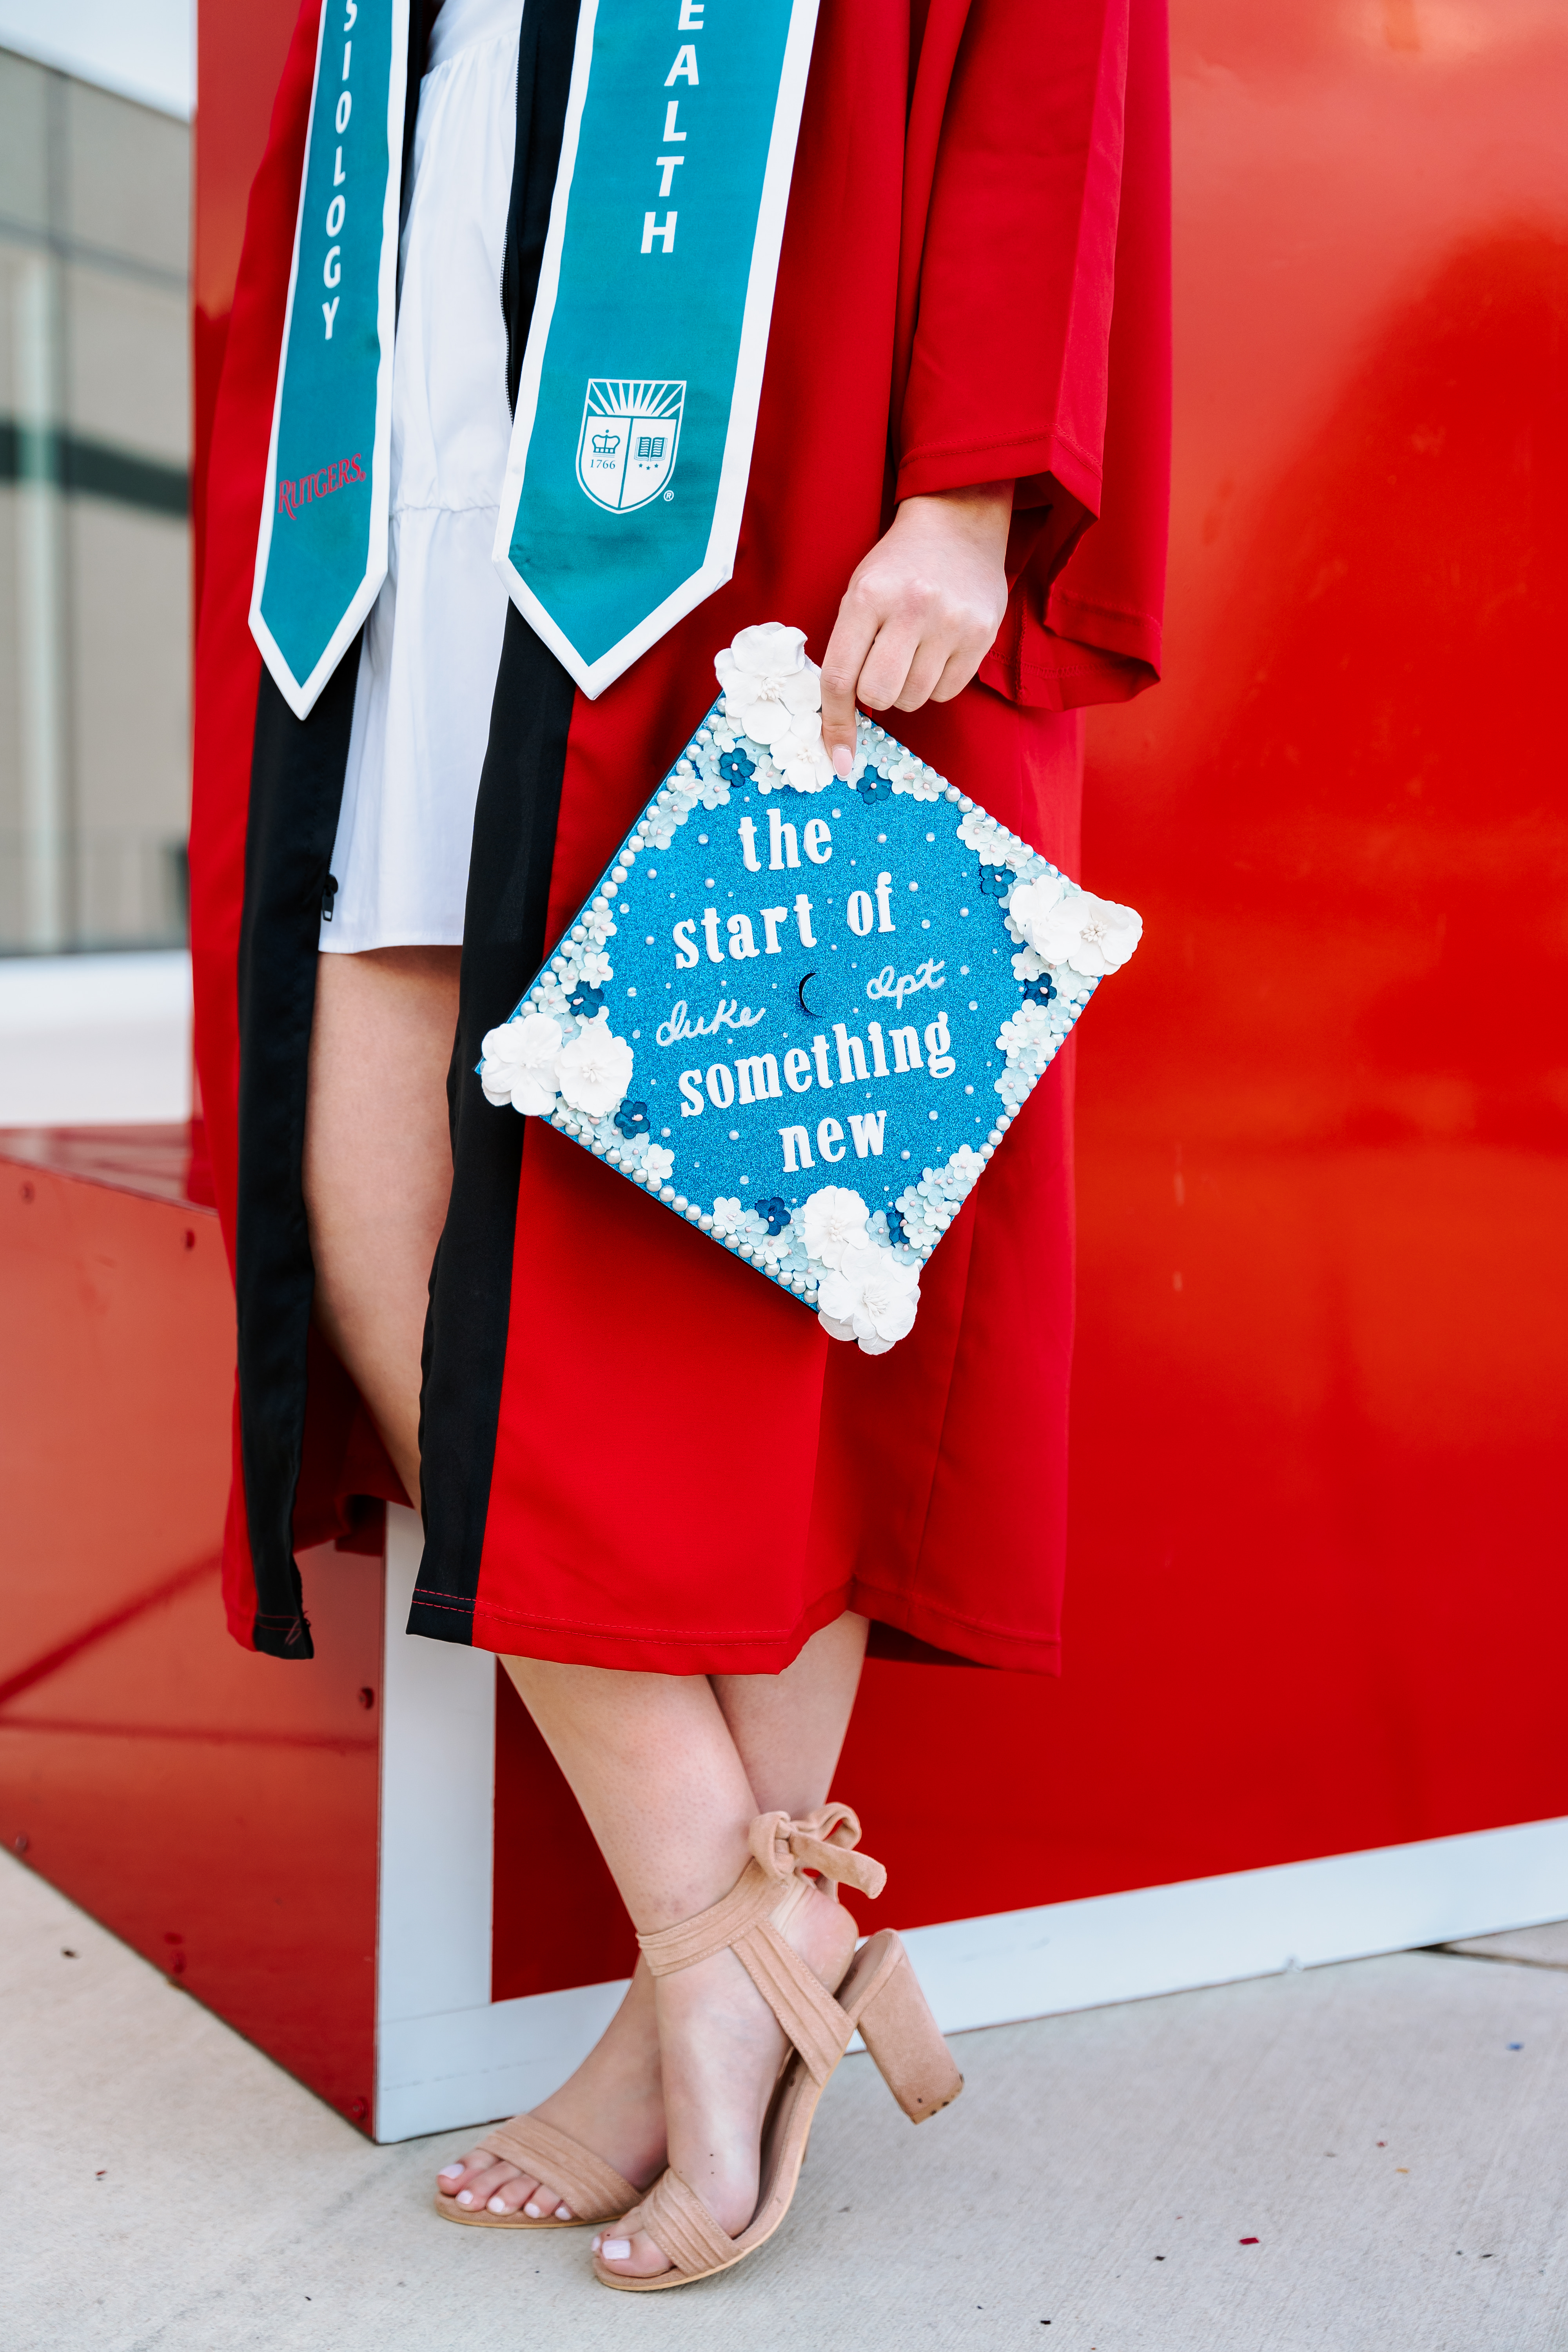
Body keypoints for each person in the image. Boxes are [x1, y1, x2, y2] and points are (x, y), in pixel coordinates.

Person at [191, 0, 1169, 2290]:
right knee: (376, 1214)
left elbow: (1055, 54)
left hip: (757, 486)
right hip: (414, 484)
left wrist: (964, 484)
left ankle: (696, 2006)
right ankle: (744, 1936)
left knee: (754, 1225)